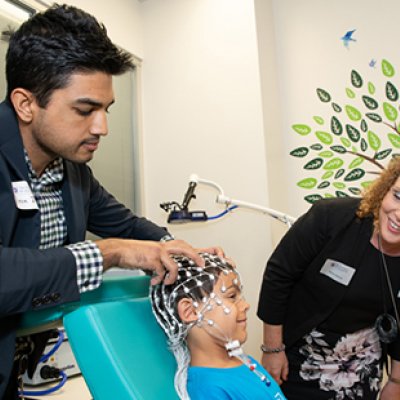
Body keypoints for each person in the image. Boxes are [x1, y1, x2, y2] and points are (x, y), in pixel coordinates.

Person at [0, 5, 222, 399]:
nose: (102, 127)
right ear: (26, 104)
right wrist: (109, 253)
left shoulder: (72, 170)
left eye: (106, 110)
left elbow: (126, 225)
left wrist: (172, 247)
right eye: (85, 110)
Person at [257, 156, 400, 400]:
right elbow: (278, 275)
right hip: (297, 360)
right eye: (398, 196)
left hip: (359, 370)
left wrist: (396, 381)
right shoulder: (332, 217)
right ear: (385, 189)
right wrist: (272, 349)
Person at [151, 253, 286, 400]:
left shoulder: (244, 361)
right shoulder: (208, 389)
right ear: (190, 311)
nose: (246, 305)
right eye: (232, 296)